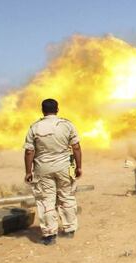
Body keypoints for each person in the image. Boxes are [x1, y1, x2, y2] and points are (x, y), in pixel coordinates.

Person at [23, 99, 82, 245]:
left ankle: (50, 235)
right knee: (66, 196)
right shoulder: (66, 125)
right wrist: (79, 167)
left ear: (42, 110)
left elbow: (29, 151)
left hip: (42, 169)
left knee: (46, 200)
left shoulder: (35, 127)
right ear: (57, 109)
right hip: (63, 167)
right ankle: (69, 230)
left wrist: (28, 171)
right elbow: (76, 147)